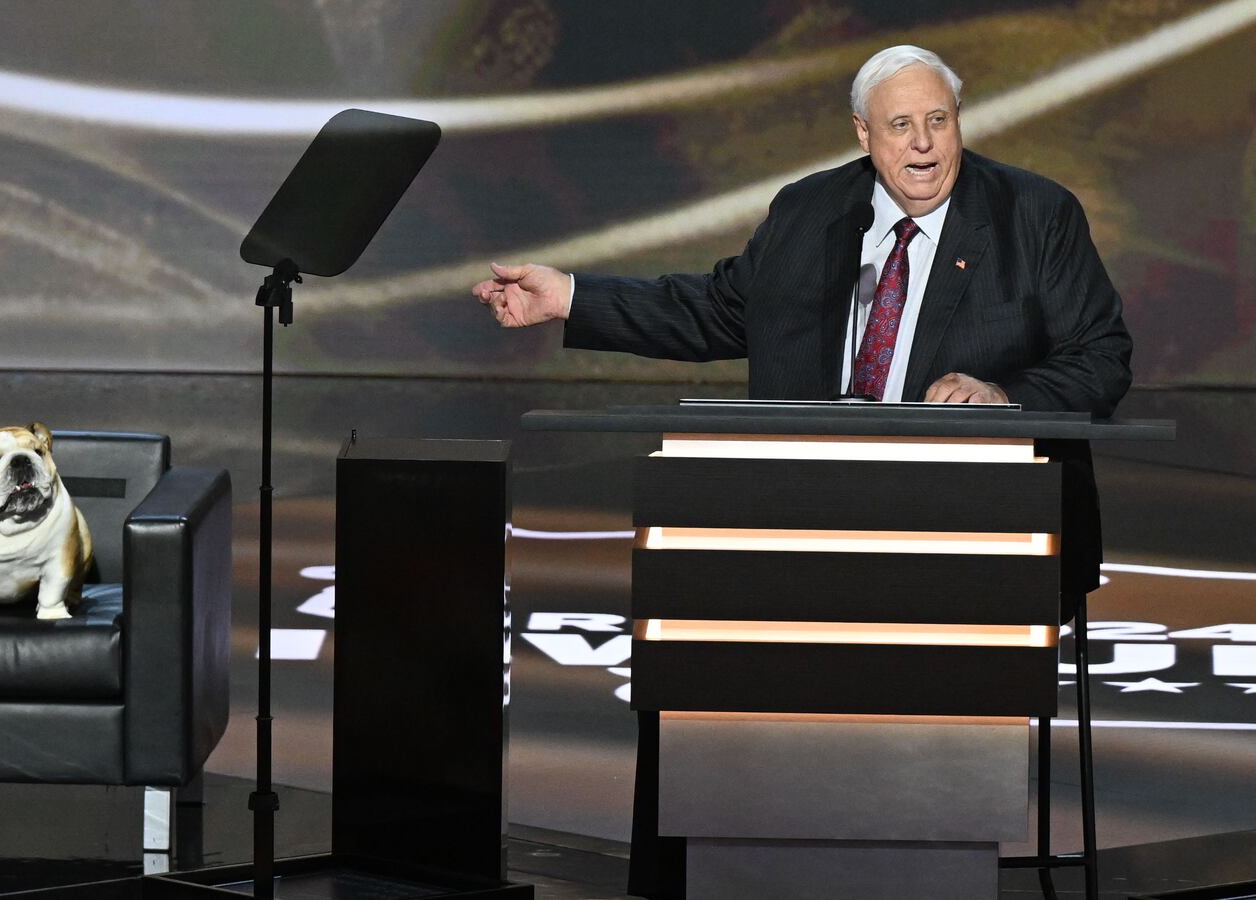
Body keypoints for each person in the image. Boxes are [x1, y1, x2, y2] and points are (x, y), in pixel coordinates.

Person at [472, 45, 1131, 899]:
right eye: (902, 126)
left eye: (940, 121)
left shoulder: (1033, 215)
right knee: (696, 610)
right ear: (865, 134)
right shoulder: (808, 212)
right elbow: (716, 310)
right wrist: (568, 297)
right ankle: (709, 869)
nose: (925, 145)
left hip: (970, 534)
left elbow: (1102, 355)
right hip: (802, 520)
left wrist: (1008, 394)